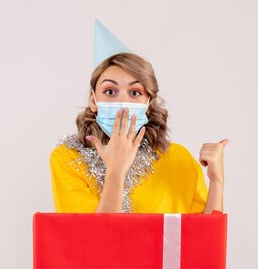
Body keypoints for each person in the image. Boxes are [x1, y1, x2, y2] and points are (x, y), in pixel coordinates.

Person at [49, 22, 228, 214]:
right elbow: (93, 240)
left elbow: (203, 238)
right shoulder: (68, 159)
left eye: (135, 92)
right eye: (110, 91)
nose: (123, 103)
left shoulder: (179, 160)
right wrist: (116, 171)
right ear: (93, 100)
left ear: (148, 102)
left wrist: (217, 182)